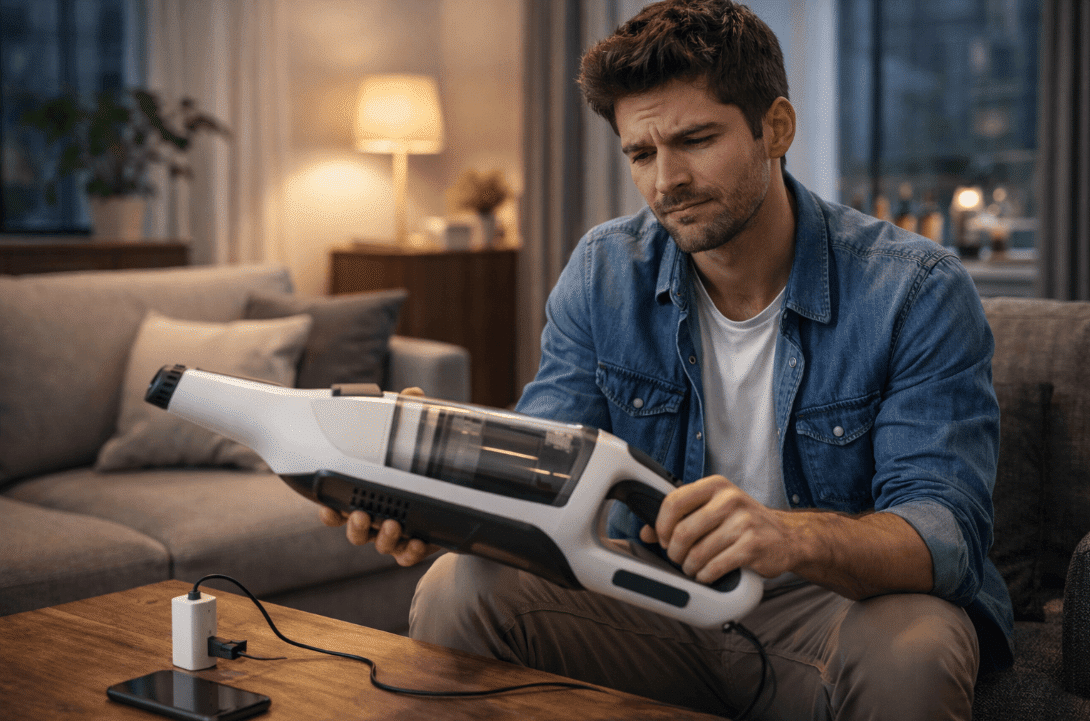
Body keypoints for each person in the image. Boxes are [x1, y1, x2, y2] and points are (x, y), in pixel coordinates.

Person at [321, 1, 1014, 717]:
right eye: (641, 154)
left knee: (917, 647)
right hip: (657, 602)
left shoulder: (914, 288)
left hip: (833, 614)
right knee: (457, 583)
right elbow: (543, 468)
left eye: (695, 139)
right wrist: (434, 497)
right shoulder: (603, 271)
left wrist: (790, 534)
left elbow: (947, 531)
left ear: (775, 127)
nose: (665, 181)